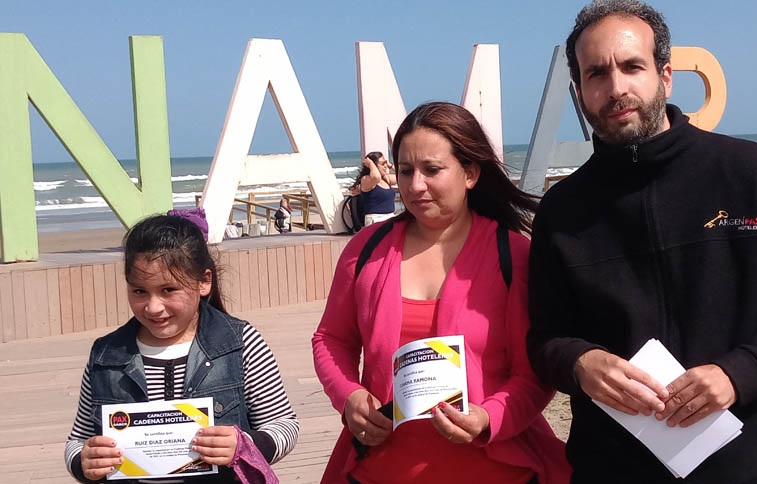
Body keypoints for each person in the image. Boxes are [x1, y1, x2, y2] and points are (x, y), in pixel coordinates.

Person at [526, 2, 757, 483]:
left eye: (632, 66)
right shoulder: (562, 210)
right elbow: (544, 338)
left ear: (665, 76)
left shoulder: (750, 173)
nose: (616, 88)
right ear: (579, 92)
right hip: (611, 469)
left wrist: (739, 373)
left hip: (749, 468)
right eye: (596, 73)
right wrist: (580, 363)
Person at [312, 102, 570, 484]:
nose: (415, 185)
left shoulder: (513, 255)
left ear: (470, 173)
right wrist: (349, 396)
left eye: (432, 170)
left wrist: (489, 417)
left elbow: (533, 372)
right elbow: (331, 339)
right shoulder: (365, 249)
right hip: (378, 470)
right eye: (405, 171)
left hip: (496, 472)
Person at [64, 214, 299, 483]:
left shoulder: (240, 342)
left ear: (204, 282)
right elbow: (77, 440)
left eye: (168, 290)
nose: (153, 307)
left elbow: (284, 425)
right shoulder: (107, 355)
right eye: (139, 291)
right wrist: (84, 462)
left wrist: (244, 445)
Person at [349, 151, 397, 226]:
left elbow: (401, 175)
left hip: (390, 217)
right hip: (375, 219)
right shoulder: (366, 179)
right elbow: (376, 177)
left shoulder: (386, 179)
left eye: (385, 163)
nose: (385, 166)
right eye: (382, 164)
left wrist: (390, 166)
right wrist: (371, 164)